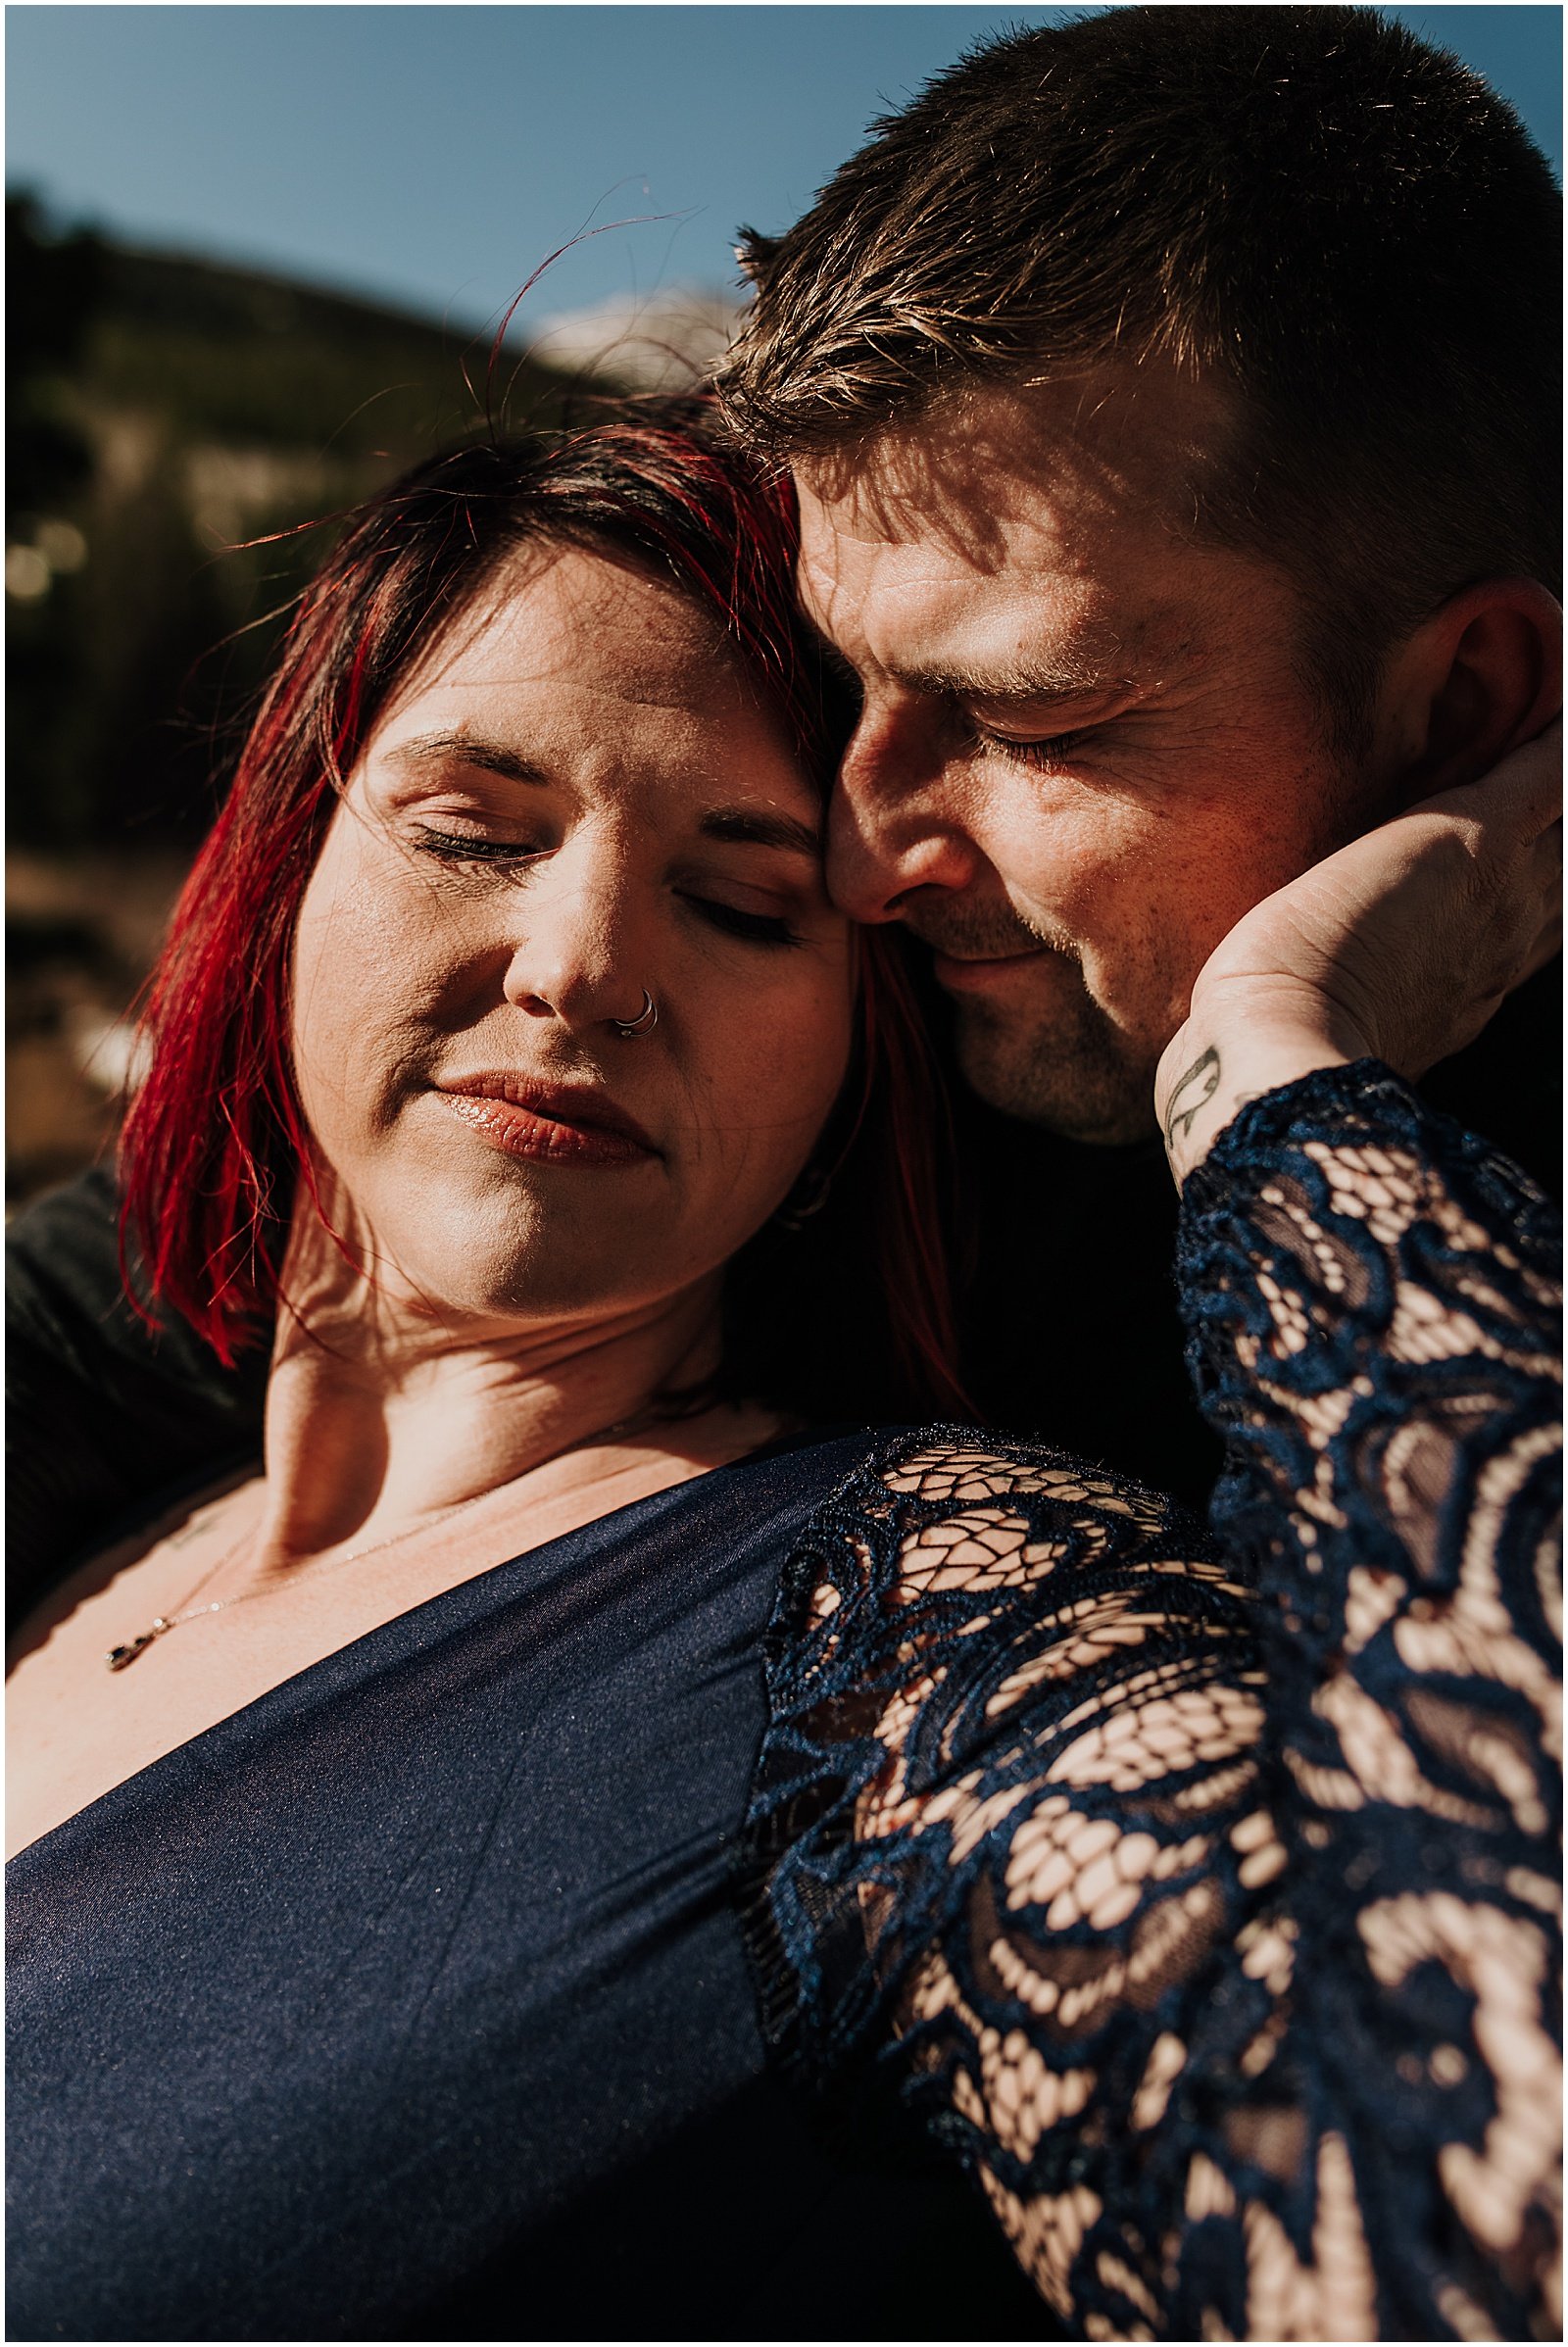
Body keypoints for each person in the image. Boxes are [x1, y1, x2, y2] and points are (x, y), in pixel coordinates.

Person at [7, 407, 1560, 2341]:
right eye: (472, 828)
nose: (578, 960)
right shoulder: (80, 1505)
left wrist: (1282, 1075)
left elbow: (1483, 2188)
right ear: (284, 868)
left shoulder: (907, 1633)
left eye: (744, 900)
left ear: (855, 1061)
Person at [720, 1, 1562, 1498]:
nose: (861, 863)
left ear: (1468, 706)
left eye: (1032, 717)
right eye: (840, 683)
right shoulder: (846, 1099)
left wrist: (1276, 1061)